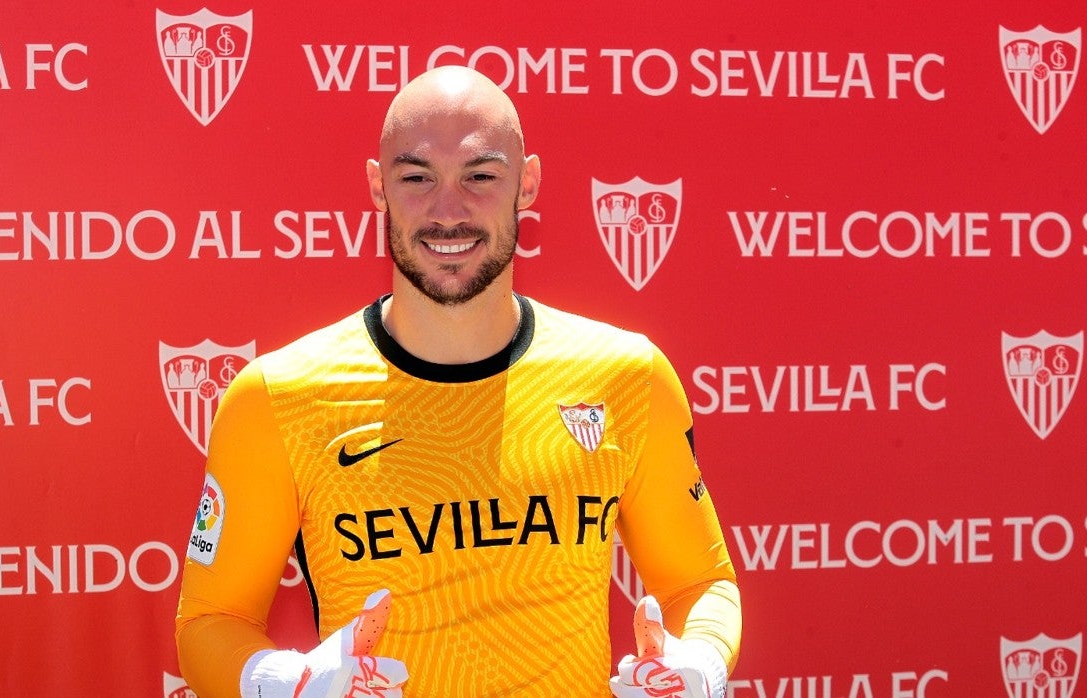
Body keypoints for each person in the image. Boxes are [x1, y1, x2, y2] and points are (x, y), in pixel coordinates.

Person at [175, 65, 741, 698]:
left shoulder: (628, 377)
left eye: (481, 176)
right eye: (416, 178)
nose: (448, 211)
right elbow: (210, 619)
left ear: (527, 183)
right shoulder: (276, 398)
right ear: (376, 186)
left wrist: (702, 661)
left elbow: (700, 582)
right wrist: (283, 683)